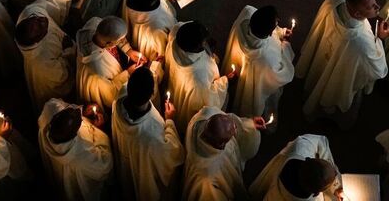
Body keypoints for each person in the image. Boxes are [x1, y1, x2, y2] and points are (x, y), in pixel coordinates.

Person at [296, 0, 388, 125]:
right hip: (342, 73)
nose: (377, 6)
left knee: (319, 75)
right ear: (357, 14)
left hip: (322, 56)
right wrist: (380, 39)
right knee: (333, 86)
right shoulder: (361, 42)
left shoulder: (335, 0)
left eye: (375, 1)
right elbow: (378, 70)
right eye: (371, 6)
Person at [111, 66, 184, 201]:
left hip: (126, 164)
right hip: (144, 174)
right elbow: (173, 154)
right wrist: (169, 120)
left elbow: (134, 85)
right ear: (152, 94)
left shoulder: (119, 98)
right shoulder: (152, 133)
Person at [222, 5, 294, 121]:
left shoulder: (247, 13)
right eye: (276, 25)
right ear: (270, 33)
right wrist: (285, 44)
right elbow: (282, 74)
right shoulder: (268, 58)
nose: (277, 26)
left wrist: (281, 32)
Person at [36, 99, 113, 201]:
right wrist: (99, 130)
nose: (78, 112)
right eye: (79, 122)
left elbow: (61, 106)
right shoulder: (81, 155)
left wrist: (83, 111)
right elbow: (105, 165)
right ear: (73, 134)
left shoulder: (49, 114)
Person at [182, 107, 264, 201]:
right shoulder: (206, 180)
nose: (236, 128)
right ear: (221, 145)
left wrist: (250, 123)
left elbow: (230, 120)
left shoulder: (207, 114)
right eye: (233, 133)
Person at [76, 16, 141, 109]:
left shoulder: (96, 23)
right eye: (120, 40)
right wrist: (128, 73)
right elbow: (111, 94)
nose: (123, 40)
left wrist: (128, 50)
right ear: (109, 44)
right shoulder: (98, 69)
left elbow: (115, 36)